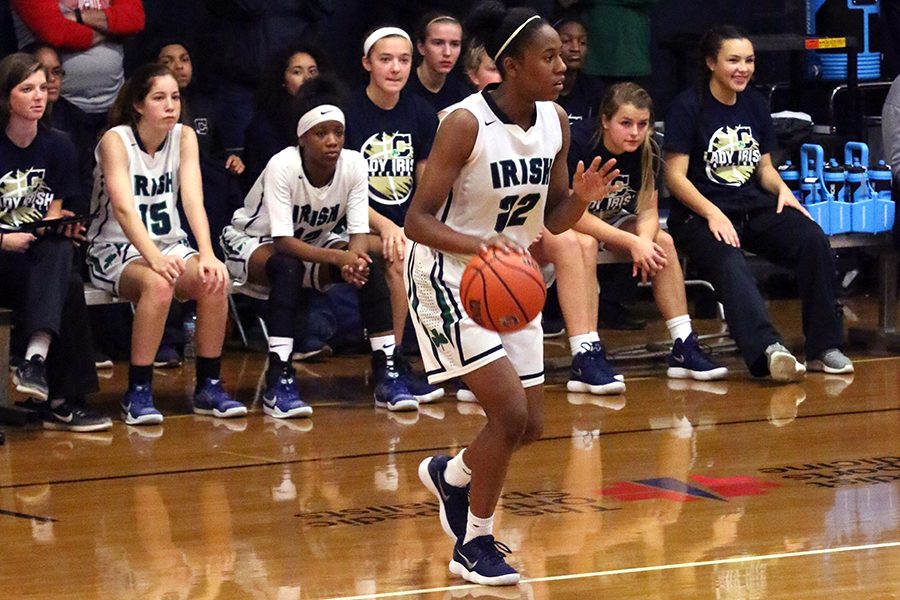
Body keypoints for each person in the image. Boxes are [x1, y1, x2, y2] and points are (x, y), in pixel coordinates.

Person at [406, 3, 618, 585]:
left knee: (531, 426)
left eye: (561, 55)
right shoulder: (464, 123)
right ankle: (474, 543)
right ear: (510, 65)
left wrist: (582, 199)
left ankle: (453, 475)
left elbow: (553, 216)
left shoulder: (555, 122)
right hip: (448, 275)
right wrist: (483, 250)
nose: (561, 65)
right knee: (508, 413)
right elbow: (416, 221)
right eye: (547, 56)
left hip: (511, 277)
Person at [222, 76, 421, 415]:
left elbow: (358, 230)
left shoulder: (354, 164)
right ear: (302, 137)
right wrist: (340, 257)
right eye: (321, 134)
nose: (332, 141)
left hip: (314, 242)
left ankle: (386, 369)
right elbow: (284, 243)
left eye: (338, 133)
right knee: (288, 267)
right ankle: (279, 377)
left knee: (369, 262)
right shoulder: (283, 165)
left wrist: (354, 258)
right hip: (253, 241)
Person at [663, 26, 852, 382]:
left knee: (811, 238)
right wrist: (711, 212)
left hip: (751, 206)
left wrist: (782, 190)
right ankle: (769, 351)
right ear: (710, 63)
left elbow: (763, 167)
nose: (743, 69)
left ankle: (824, 348)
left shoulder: (754, 102)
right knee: (730, 259)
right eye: (733, 60)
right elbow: (675, 177)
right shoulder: (687, 106)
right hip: (699, 215)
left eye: (749, 60)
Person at [86, 63, 246, 424]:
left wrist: (207, 254)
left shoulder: (185, 137)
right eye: (159, 98)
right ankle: (138, 391)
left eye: (175, 97)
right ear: (139, 105)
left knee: (214, 281)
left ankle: (209, 385)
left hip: (168, 242)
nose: (171, 105)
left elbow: (192, 199)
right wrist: (154, 258)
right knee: (158, 285)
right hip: (113, 246)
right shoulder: (115, 140)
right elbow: (125, 211)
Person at [567, 82, 727, 381]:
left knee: (661, 241)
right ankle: (587, 350)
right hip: (571, 224)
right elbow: (570, 216)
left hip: (611, 218)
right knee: (586, 242)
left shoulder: (649, 148)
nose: (635, 133)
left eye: (642, 124)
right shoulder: (579, 143)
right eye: (625, 123)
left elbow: (649, 210)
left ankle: (683, 345)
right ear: (605, 120)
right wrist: (631, 241)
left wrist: (642, 241)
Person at [0, 52, 110, 431]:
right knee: (68, 284)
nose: (38, 96)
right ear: (6, 97)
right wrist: (4, 240)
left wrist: (55, 227)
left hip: (33, 257)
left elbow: (52, 212)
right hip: (2, 255)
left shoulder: (58, 146)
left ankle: (34, 360)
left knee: (61, 253)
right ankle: (62, 400)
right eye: (26, 88)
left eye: (43, 88)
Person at [345, 25, 444, 407]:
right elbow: (345, 191)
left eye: (404, 60)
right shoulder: (350, 113)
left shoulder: (419, 113)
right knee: (398, 254)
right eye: (385, 59)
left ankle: (434, 359)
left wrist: (420, 225)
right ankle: (389, 362)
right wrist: (387, 225)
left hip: (404, 224)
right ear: (367, 63)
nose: (395, 68)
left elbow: (425, 184)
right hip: (354, 224)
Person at [406, 13, 470, 112]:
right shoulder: (403, 88)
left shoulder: (463, 94)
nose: (447, 52)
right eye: (438, 43)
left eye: (455, 44)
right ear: (421, 47)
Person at [554, 16, 604, 126]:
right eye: (566, 41)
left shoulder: (595, 90)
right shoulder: (539, 90)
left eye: (582, 42)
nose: (575, 48)